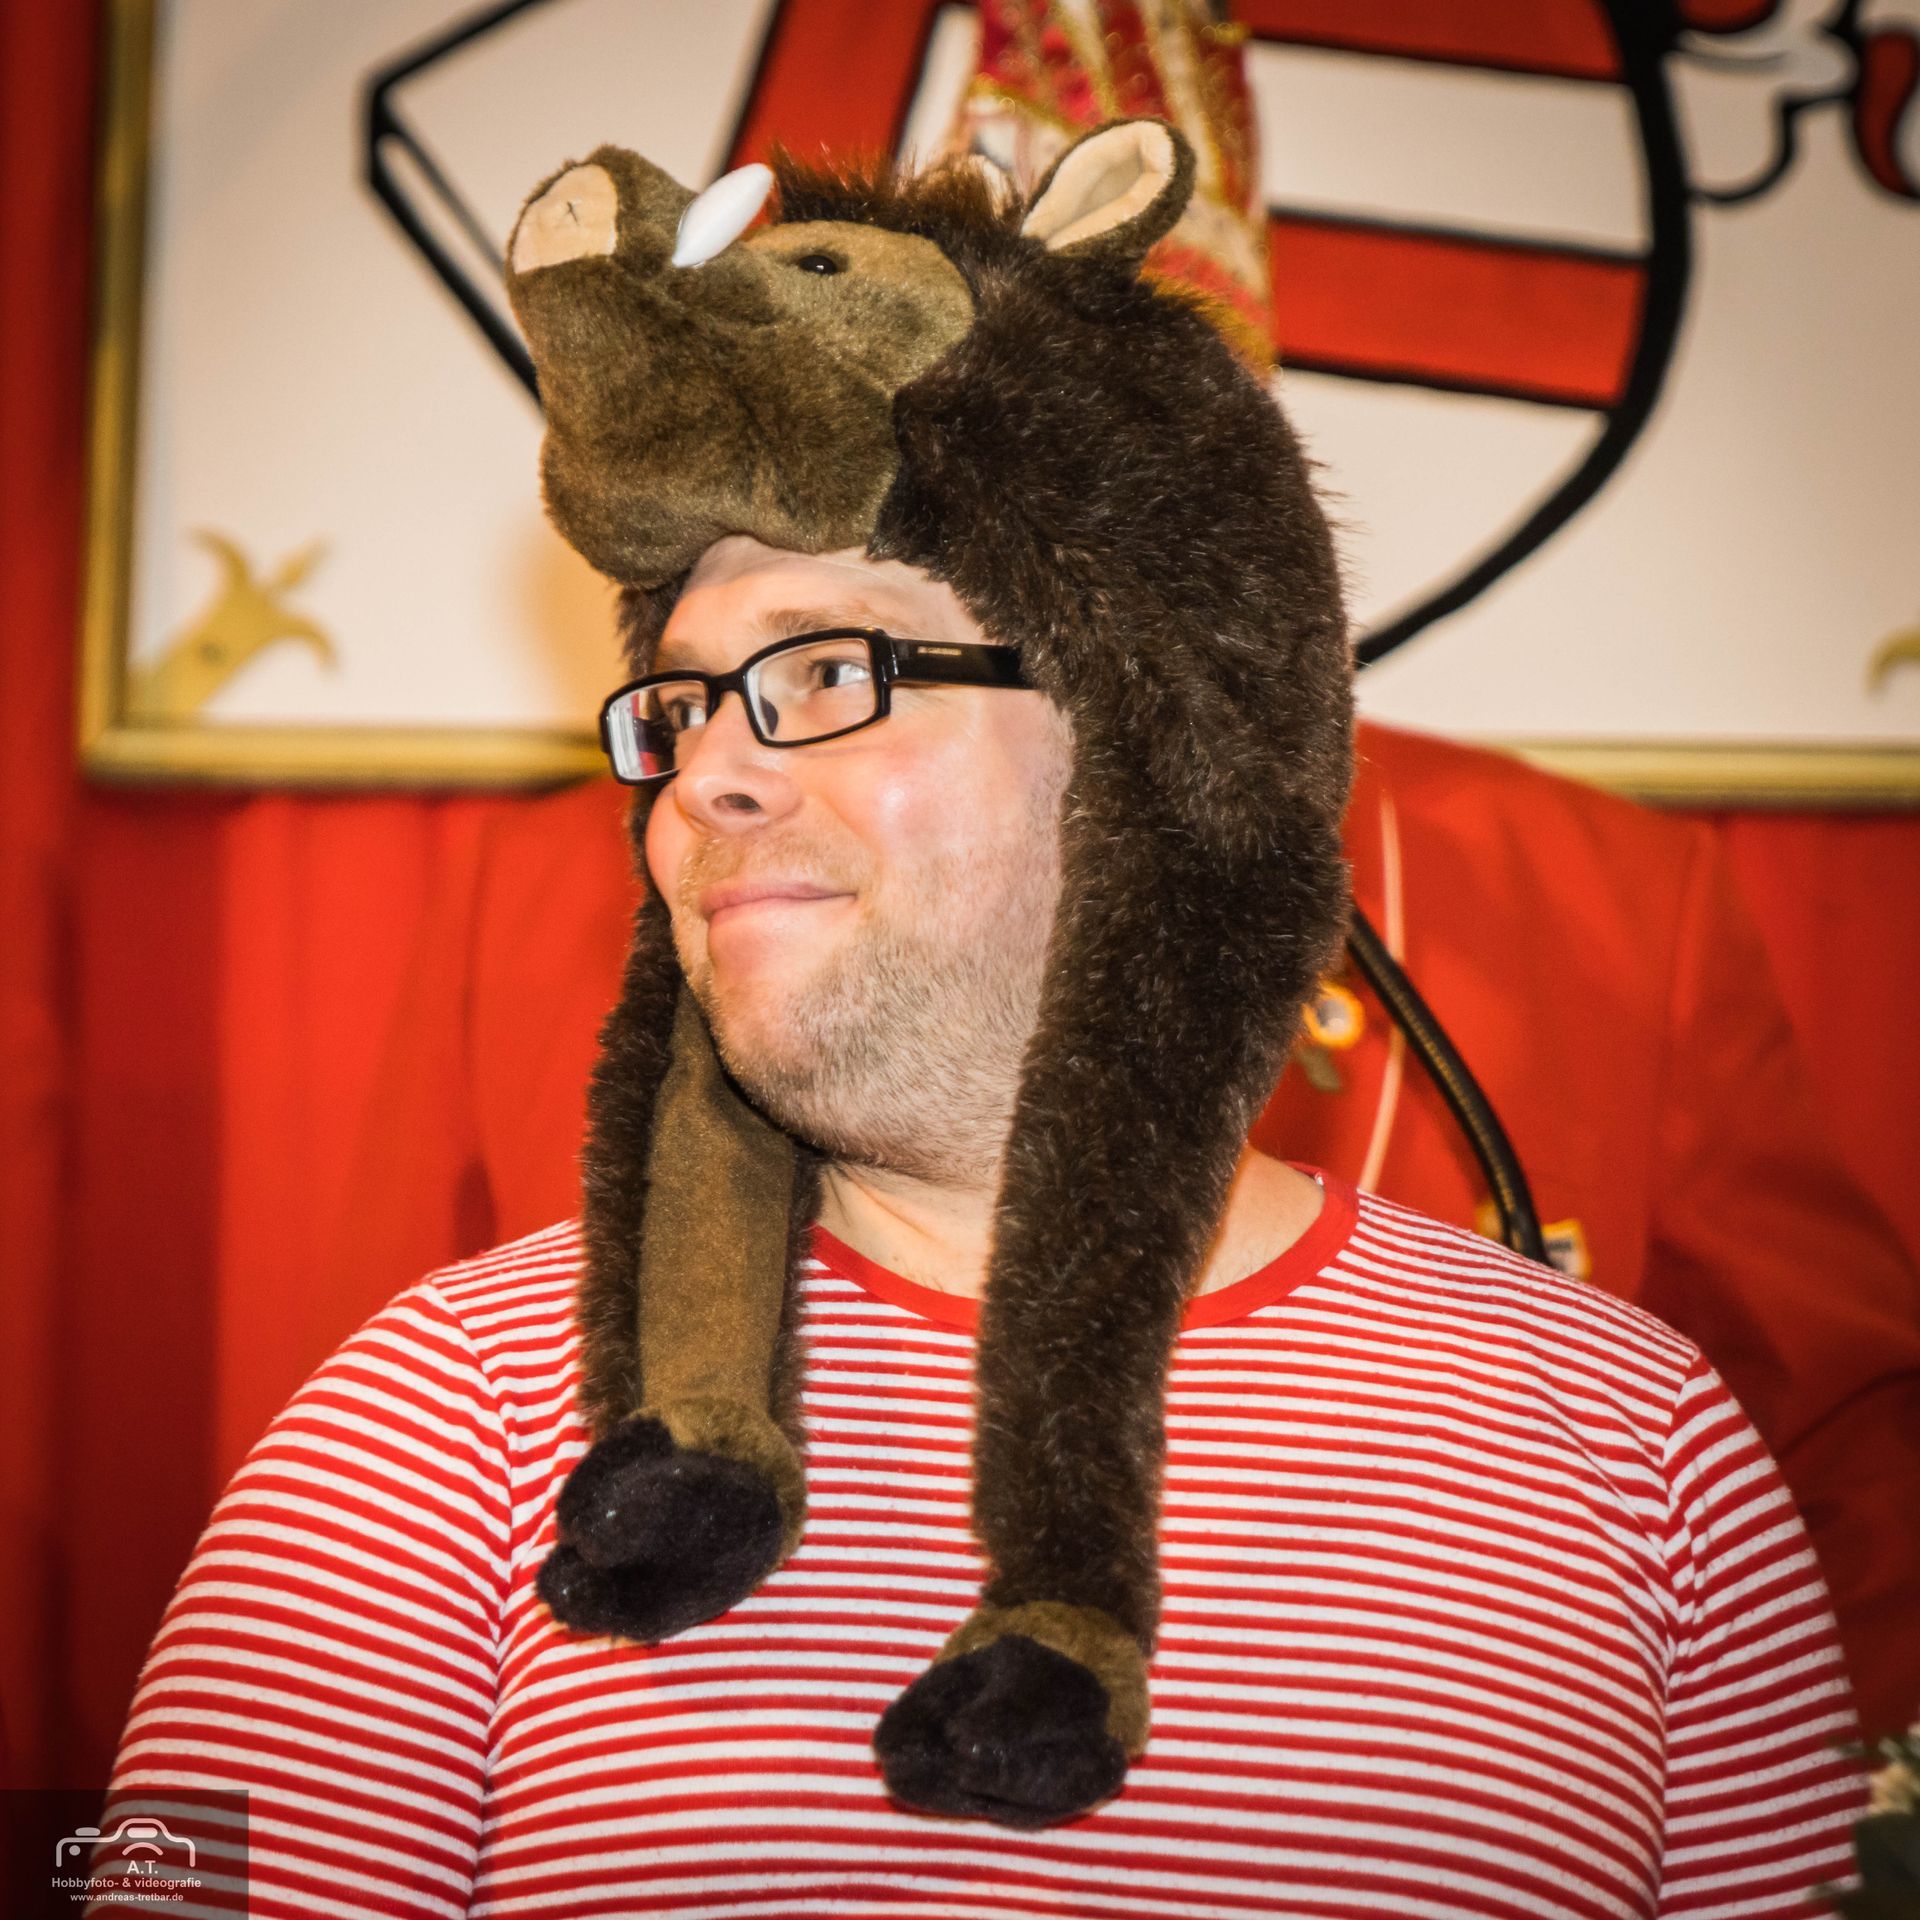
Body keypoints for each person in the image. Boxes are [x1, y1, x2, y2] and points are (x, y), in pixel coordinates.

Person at [106, 126, 1865, 1913]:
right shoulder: (425, 1421)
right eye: (678, 707)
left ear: (1154, 738)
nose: (702, 777)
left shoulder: (1640, 1450)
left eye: (823, 670)